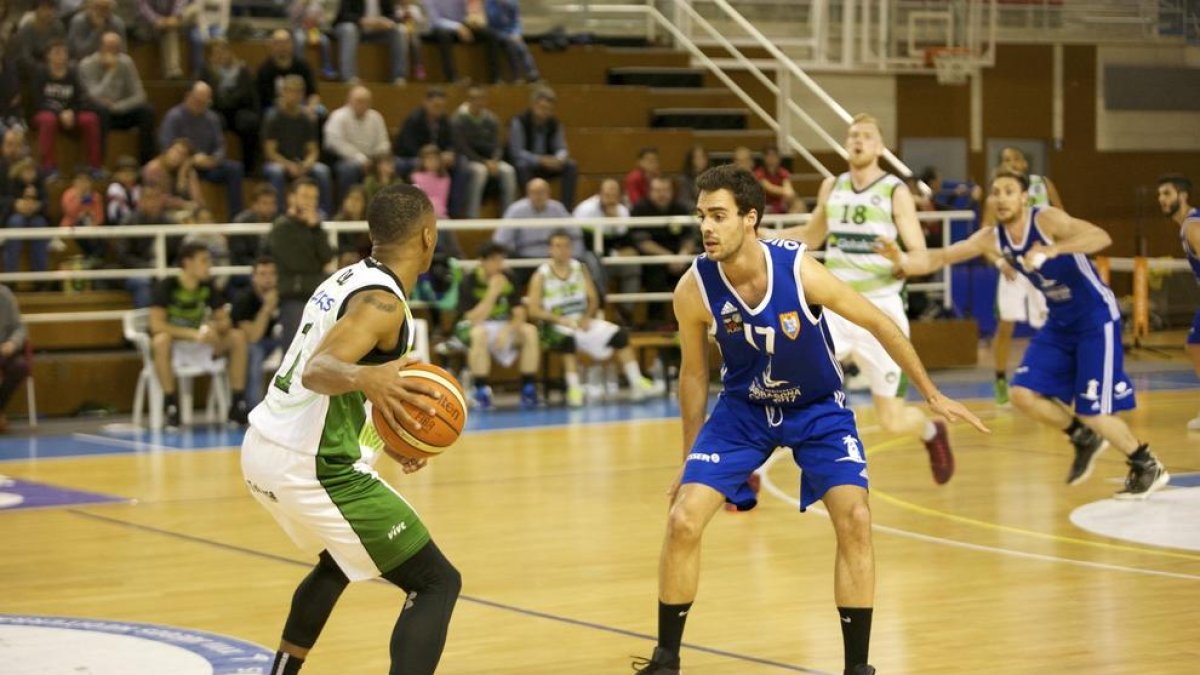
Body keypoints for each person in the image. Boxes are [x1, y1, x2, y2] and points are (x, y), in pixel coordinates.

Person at [631, 164, 985, 675]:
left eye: (719, 215)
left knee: (856, 519)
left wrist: (930, 392)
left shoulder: (799, 271)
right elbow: (693, 374)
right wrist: (688, 457)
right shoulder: (694, 288)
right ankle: (666, 660)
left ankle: (857, 668)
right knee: (683, 519)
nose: (707, 227)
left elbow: (878, 321)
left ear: (750, 219)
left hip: (817, 408)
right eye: (701, 216)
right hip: (744, 410)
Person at [241, 183, 461, 675]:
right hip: (310, 466)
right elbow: (319, 371)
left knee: (339, 559)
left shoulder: (348, 277)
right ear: (428, 236)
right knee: (437, 582)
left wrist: (393, 428)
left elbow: (351, 379)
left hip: (264, 448)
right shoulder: (382, 304)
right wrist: (367, 377)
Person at [882, 168, 1170, 498]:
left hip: (1094, 318)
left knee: (1092, 410)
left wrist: (1052, 250)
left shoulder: (1046, 220)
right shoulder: (991, 238)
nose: (1001, 197)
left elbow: (1100, 237)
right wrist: (902, 259)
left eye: (1008, 191)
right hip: (1060, 322)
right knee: (1022, 394)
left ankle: (1146, 464)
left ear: (1023, 198)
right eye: (996, 192)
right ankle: (1081, 436)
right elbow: (941, 257)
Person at [775, 114, 956, 485]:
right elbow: (812, 236)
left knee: (891, 419)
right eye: (852, 135)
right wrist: (763, 235)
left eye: (865, 136)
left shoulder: (895, 191)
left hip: (881, 309)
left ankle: (932, 433)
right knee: (790, 384)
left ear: (879, 147)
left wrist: (899, 259)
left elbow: (922, 258)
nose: (857, 141)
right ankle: (752, 474)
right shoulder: (832, 186)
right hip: (837, 306)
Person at [525, 229, 663, 406]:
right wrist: (559, 320)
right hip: (555, 324)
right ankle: (574, 389)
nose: (562, 250)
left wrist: (586, 317)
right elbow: (533, 310)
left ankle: (637, 382)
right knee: (568, 341)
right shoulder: (541, 275)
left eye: (566, 246)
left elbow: (593, 300)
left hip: (582, 320)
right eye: (558, 246)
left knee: (619, 335)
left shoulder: (579, 268)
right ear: (550, 250)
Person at [985, 146, 1060, 406]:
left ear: (1025, 163)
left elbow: (1063, 220)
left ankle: (1047, 379)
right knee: (1006, 324)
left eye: (1015, 158)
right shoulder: (995, 199)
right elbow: (983, 239)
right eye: (1005, 160)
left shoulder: (1043, 185)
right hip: (1012, 268)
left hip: (1042, 265)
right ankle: (1000, 379)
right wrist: (998, 261)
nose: (1011, 163)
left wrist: (1054, 252)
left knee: (1048, 324)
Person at [149, 241, 249, 428]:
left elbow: (225, 321)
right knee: (160, 341)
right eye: (204, 261)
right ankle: (171, 405)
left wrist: (215, 326)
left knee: (237, 337)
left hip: (203, 345)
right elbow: (156, 325)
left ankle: (237, 403)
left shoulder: (208, 287)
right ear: (187, 263)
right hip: (176, 349)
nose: (208, 266)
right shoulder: (167, 286)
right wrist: (192, 334)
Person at [457, 242, 539, 409]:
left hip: (504, 326)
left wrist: (507, 330)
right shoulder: (469, 281)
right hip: (476, 326)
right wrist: (492, 293)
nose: (498, 265)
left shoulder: (509, 278)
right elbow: (472, 318)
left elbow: (519, 313)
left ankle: (528, 389)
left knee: (530, 331)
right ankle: (481, 391)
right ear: (482, 261)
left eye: (501, 260)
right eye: (494, 260)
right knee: (479, 334)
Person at [158, 81, 245, 217]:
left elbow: (220, 147)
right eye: (198, 101)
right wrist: (189, 160)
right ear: (188, 96)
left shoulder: (212, 118)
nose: (200, 105)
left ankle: (236, 217)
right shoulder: (174, 117)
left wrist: (212, 160)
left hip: (207, 164)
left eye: (205, 103)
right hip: (182, 166)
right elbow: (166, 147)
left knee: (235, 169)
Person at [1155, 173, 1200, 431]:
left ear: (1182, 196)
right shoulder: (1187, 225)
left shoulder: (1193, 226)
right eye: (1160, 195)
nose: (1161, 199)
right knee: (1195, 345)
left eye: (1167, 194)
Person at [267, 177, 334, 347]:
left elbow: (327, 256)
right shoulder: (281, 227)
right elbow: (296, 263)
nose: (310, 202)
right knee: (295, 350)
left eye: (314, 198)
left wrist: (316, 229)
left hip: (318, 295)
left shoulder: (316, 228)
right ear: (291, 197)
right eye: (305, 196)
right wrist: (317, 262)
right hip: (294, 297)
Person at [78, 31, 157, 165]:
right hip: (98, 113)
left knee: (147, 111)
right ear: (100, 47)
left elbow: (140, 95)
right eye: (109, 48)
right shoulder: (87, 64)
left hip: (119, 110)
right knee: (101, 110)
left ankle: (145, 163)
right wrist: (111, 72)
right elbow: (93, 95)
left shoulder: (126, 62)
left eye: (116, 49)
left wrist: (117, 106)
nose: (113, 52)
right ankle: (99, 164)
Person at [629, 176, 695, 328]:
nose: (662, 194)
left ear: (672, 192)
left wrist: (683, 255)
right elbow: (643, 242)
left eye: (665, 190)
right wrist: (669, 257)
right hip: (653, 260)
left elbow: (689, 238)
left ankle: (690, 321)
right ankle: (655, 323)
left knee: (693, 272)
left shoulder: (681, 208)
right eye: (657, 190)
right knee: (655, 275)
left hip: (679, 258)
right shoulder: (640, 209)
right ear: (650, 192)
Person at [263, 74, 333, 215]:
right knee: (276, 172)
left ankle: (324, 214)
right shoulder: (273, 117)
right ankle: (281, 214)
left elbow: (313, 150)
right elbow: (270, 151)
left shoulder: (306, 119)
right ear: (283, 92)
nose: (294, 95)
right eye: (290, 91)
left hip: (301, 162)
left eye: (298, 91)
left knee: (322, 171)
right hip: (279, 162)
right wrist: (288, 165)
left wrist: (307, 163)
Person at [393, 87, 467, 216]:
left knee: (462, 164)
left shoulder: (445, 121)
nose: (438, 109)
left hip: (438, 159)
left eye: (441, 106)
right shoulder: (413, 119)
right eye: (435, 105)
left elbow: (453, 143)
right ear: (426, 103)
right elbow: (407, 146)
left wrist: (448, 153)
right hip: (413, 157)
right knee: (403, 165)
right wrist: (428, 157)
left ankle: (454, 212)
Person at [32, 40, 102, 173]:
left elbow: (81, 99)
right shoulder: (41, 73)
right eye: (56, 53)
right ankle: (49, 167)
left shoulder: (73, 74)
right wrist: (59, 113)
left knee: (91, 119)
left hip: (70, 114)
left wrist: (72, 112)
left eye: (63, 53)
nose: (60, 56)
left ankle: (94, 166)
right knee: (48, 120)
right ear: (48, 56)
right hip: (47, 113)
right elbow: (38, 101)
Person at [198, 37, 260, 176]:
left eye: (223, 52)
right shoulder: (205, 72)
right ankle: (212, 165)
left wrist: (230, 98)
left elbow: (249, 95)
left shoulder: (242, 70)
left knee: (249, 122)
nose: (220, 56)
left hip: (239, 110)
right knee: (214, 121)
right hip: (216, 110)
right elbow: (208, 97)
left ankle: (249, 169)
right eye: (216, 53)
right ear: (209, 56)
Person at [452, 86, 516, 218]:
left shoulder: (492, 119)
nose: (478, 102)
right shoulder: (458, 120)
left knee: (509, 171)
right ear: (468, 100)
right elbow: (463, 148)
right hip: (470, 160)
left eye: (481, 99)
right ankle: (472, 215)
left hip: (490, 160)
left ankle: (508, 216)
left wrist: (495, 160)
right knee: (480, 171)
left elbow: (498, 145)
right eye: (474, 99)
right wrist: (483, 162)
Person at [508, 87, 577, 208]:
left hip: (548, 163)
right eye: (542, 108)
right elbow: (517, 151)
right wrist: (540, 160)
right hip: (528, 164)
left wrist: (559, 159)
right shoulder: (519, 121)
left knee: (570, 166)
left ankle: (566, 209)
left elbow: (562, 148)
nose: (546, 112)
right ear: (533, 105)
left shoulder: (554, 123)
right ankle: (529, 207)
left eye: (549, 109)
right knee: (522, 165)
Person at [323, 85, 392, 197]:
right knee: (348, 169)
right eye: (359, 101)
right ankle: (346, 206)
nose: (362, 104)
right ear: (349, 100)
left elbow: (383, 142)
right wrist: (361, 159)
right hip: (345, 159)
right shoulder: (338, 116)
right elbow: (335, 143)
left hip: (373, 158)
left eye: (366, 101)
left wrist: (378, 159)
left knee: (395, 164)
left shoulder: (376, 117)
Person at [230, 256, 280, 407]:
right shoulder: (244, 300)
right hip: (249, 346)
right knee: (254, 351)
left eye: (272, 274)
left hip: (277, 341)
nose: (268, 279)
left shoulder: (285, 297)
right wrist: (266, 309)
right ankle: (254, 408)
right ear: (253, 278)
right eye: (263, 274)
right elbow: (253, 337)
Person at [119, 181, 177, 307]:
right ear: (141, 201)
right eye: (150, 198)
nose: (154, 202)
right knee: (143, 283)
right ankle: (146, 325)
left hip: (165, 270)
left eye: (158, 198)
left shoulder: (170, 223)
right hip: (138, 271)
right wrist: (148, 267)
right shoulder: (129, 223)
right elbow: (124, 255)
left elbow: (178, 253)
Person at [333, 0, 408, 85]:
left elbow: (393, 16)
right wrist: (362, 20)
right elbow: (344, 15)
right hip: (354, 29)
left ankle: (398, 77)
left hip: (377, 32)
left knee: (399, 30)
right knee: (349, 29)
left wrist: (387, 22)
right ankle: (348, 77)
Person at [425, 0, 500, 84]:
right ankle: (452, 78)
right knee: (443, 35)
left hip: (463, 27)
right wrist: (458, 27)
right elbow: (436, 21)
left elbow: (470, 11)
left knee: (490, 34)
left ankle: (495, 78)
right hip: (440, 29)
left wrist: (473, 19)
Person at [255, 29, 324, 119]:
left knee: (321, 112)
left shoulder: (303, 66)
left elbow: (313, 93)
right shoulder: (264, 70)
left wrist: (311, 108)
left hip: (303, 105)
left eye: (286, 42)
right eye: (278, 43)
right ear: (271, 46)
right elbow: (262, 99)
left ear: (292, 44)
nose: (282, 46)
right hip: (275, 107)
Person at [4, 158, 49, 274]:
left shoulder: (39, 183)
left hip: (35, 216)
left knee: (40, 224)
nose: (29, 174)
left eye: (31, 171)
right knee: (16, 222)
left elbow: (45, 202)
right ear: (20, 171)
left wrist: (37, 205)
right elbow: (5, 200)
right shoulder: (11, 181)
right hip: (15, 215)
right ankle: (11, 275)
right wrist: (16, 204)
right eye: (26, 171)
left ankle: (40, 276)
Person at [142, 137, 203, 215]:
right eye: (175, 151)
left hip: (180, 212)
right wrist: (182, 204)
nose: (176, 156)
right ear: (168, 150)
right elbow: (158, 199)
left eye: (182, 154)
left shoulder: (186, 171)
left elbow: (198, 201)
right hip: (158, 213)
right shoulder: (153, 169)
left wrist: (183, 174)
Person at [0, 283, 30, 432]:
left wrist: (12, 343)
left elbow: (20, 327)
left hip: (4, 349)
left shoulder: (5, 294)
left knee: (19, 367)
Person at [485, 0, 539, 83]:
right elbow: (490, 22)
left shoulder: (513, 2)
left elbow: (516, 21)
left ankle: (532, 74)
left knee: (522, 47)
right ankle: (517, 76)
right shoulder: (490, 2)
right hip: (496, 32)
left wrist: (517, 33)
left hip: (511, 32)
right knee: (510, 46)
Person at [59, 167, 106, 259]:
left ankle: (95, 259)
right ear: (74, 182)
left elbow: (100, 217)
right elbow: (70, 213)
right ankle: (90, 257)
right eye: (80, 180)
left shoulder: (96, 197)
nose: (83, 183)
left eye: (86, 180)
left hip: (91, 227)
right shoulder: (68, 194)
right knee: (80, 225)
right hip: (71, 227)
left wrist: (93, 223)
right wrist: (79, 198)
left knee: (99, 236)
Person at [12, 0, 66, 78]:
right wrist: (45, 69)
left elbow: (63, 49)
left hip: (51, 64)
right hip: (28, 68)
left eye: (51, 8)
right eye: (44, 9)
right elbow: (26, 58)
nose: (48, 13)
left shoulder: (58, 27)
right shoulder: (26, 30)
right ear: (36, 11)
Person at [135, 0, 186, 79]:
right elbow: (143, 7)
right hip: (147, 24)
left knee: (170, 31)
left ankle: (172, 70)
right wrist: (155, 19)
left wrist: (174, 17)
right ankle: (172, 69)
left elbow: (179, 3)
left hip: (167, 23)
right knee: (168, 30)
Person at [288, 0, 337, 80]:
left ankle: (326, 68)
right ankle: (300, 68)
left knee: (325, 41)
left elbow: (322, 20)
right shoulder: (296, 4)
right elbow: (292, 19)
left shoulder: (317, 5)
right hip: (300, 29)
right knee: (300, 40)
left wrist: (317, 21)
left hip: (313, 30)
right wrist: (301, 7)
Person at [231, 184, 278, 266]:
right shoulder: (241, 223)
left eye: (272, 203)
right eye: (265, 203)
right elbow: (240, 256)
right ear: (254, 205)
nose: (269, 207)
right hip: (246, 270)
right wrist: (258, 267)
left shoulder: (278, 222)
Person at [185, 0, 229, 78]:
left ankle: (218, 72)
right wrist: (205, 35)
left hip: (216, 27)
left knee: (220, 42)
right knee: (197, 39)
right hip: (200, 26)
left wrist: (222, 33)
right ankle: (198, 72)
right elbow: (199, 16)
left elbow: (224, 17)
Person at [410, 144, 450, 219]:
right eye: (429, 159)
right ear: (422, 161)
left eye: (435, 159)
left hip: (440, 214)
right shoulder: (415, 177)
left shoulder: (445, 178)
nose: (432, 162)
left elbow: (442, 200)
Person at [756, 145, 796, 214]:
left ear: (779, 158)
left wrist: (789, 193)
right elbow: (770, 188)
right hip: (765, 205)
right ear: (764, 158)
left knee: (798, 204)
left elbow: (789, 190)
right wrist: (786, 191)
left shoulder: (783, 172)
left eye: (774, 155)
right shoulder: (759, 173)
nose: (771, 158)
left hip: (781, 204)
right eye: (768, 155)